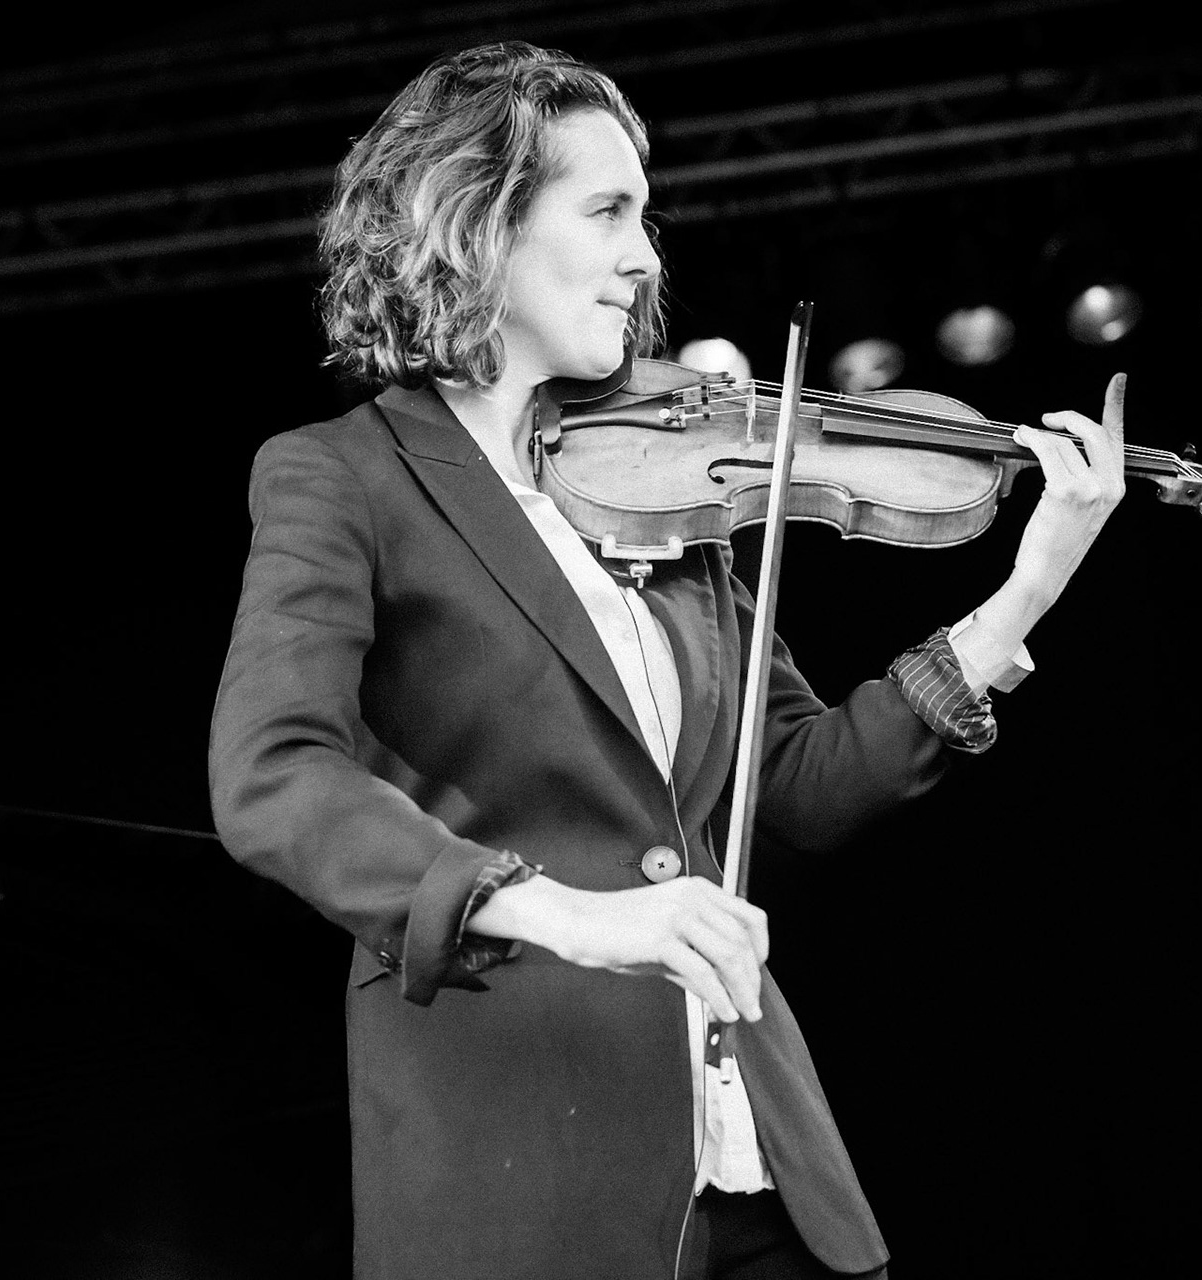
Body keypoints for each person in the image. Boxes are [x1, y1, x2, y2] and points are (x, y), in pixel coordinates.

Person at [208, 41, 1126, 1280]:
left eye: (647, 213)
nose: (648, 256)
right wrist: (572, 915)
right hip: (521, 1164)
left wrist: (1031, 584)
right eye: (608, 211)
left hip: (757, 1158)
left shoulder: (656, 486)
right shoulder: (344, 478)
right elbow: (274, 775)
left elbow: (798, 776)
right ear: (479, 226)